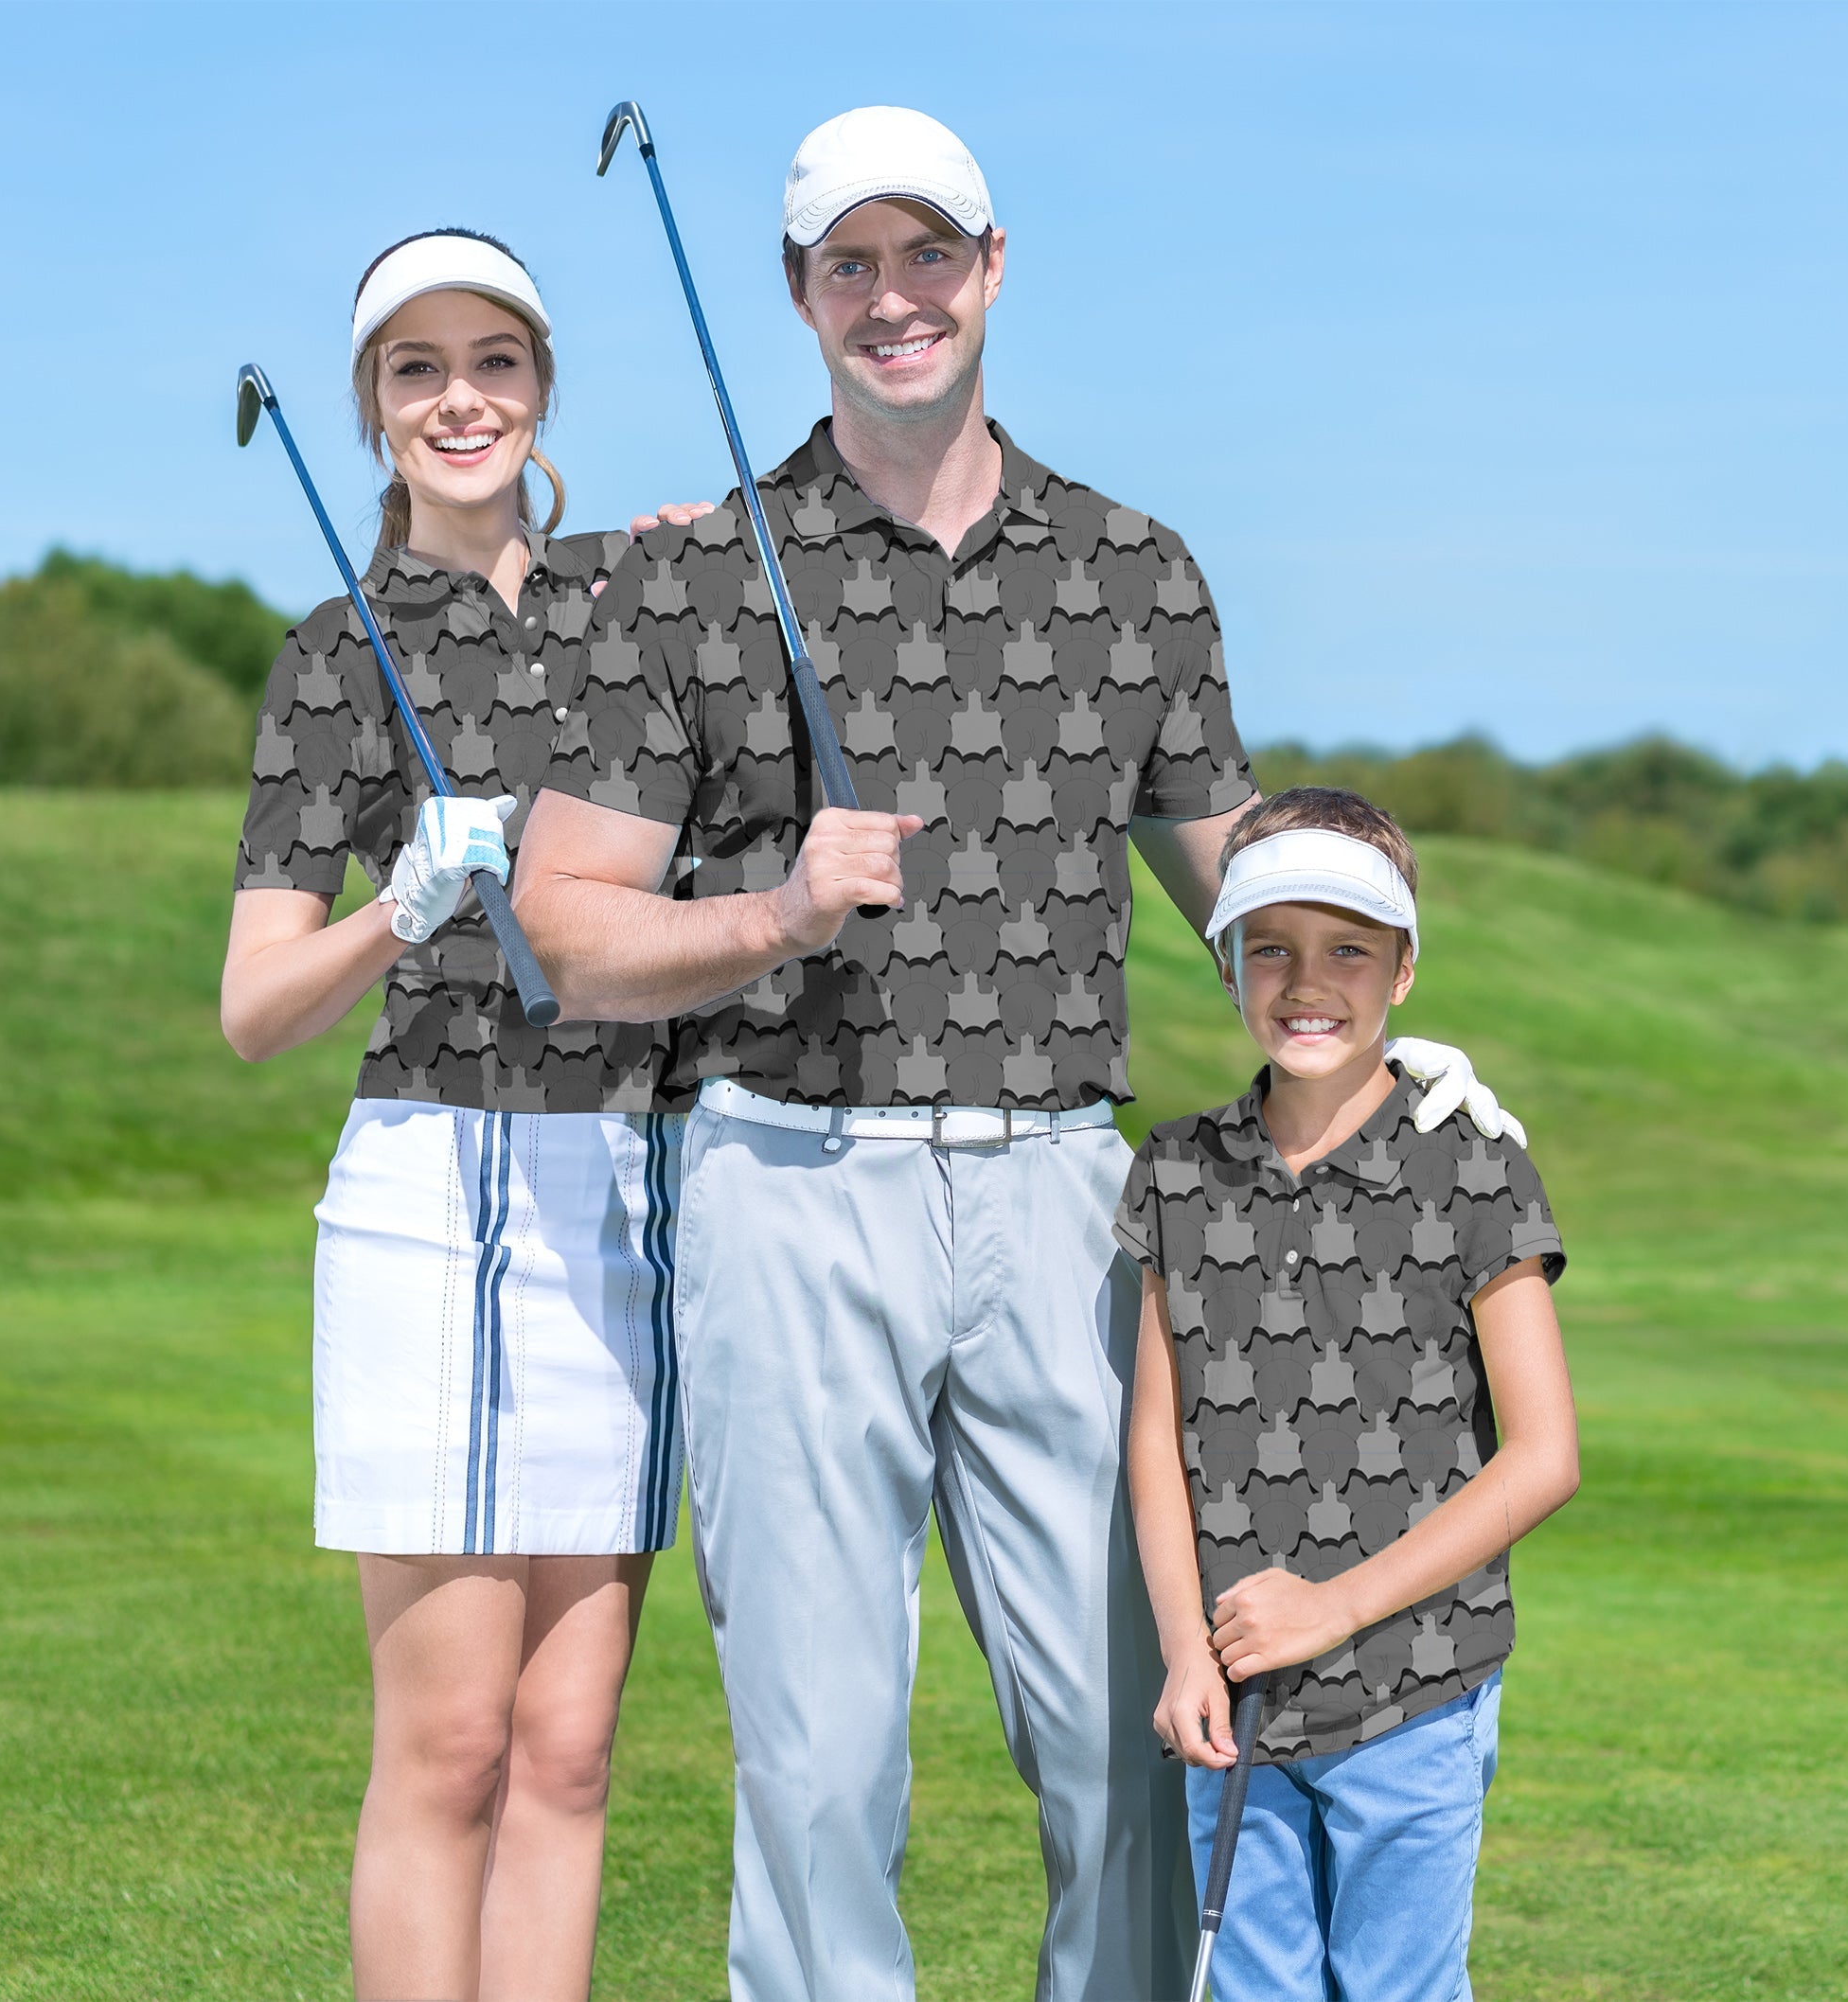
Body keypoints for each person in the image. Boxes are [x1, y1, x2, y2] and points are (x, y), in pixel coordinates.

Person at [513, 110, 1513, 2001]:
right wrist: (764, 918)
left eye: (927, 254)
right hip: (784, 1183)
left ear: (991, 265)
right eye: (849, 264)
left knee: (1134, 1733)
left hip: (1069, 1199)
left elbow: (1243, 886)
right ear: (799, 294)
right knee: (818, 1763)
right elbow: (565, 920)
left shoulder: (1137, 572)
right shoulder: (696, 572)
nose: (894, 298)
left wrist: (1392, 1015)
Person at [221, 228, 709, 2002]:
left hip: (619, 1189)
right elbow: (255, 1008)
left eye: (492, 361)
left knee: (570, 1748)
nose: (460, 399)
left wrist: (687, 556)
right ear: (371, 408)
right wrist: (399, 907)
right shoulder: (329, 655)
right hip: (431, 1183)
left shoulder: (639, 605)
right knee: (450, 1748)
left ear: (541, 387)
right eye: (416, 369)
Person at [1117, 787, 1580, 2001]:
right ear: (1225, 962)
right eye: (1269, 946)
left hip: (1417, 1686)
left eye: (1347, 951)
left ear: (1403, 972)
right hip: (1234, 1695)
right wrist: (1182, 1651)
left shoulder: (1472, 1162)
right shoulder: (1177, 1169)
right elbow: (1156, 1444)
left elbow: (1543, 1456)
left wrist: (1332, 1610)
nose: (1305, 981)